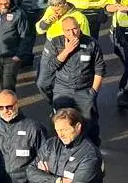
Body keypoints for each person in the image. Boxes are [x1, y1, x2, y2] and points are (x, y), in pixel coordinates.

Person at [38, 16, 106, 145]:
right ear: (63, 31)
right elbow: (51, 66)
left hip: (84, 90)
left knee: (89, 123)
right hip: (63, 90)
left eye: (75, 29)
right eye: (68, 30)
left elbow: (99, 69)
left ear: (79, 27)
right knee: (61, 122)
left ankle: (91, 150)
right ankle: (63, 150)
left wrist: (93, 92)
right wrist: (66, 50)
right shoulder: (55, 43)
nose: (72, 33)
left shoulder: (91, 43)